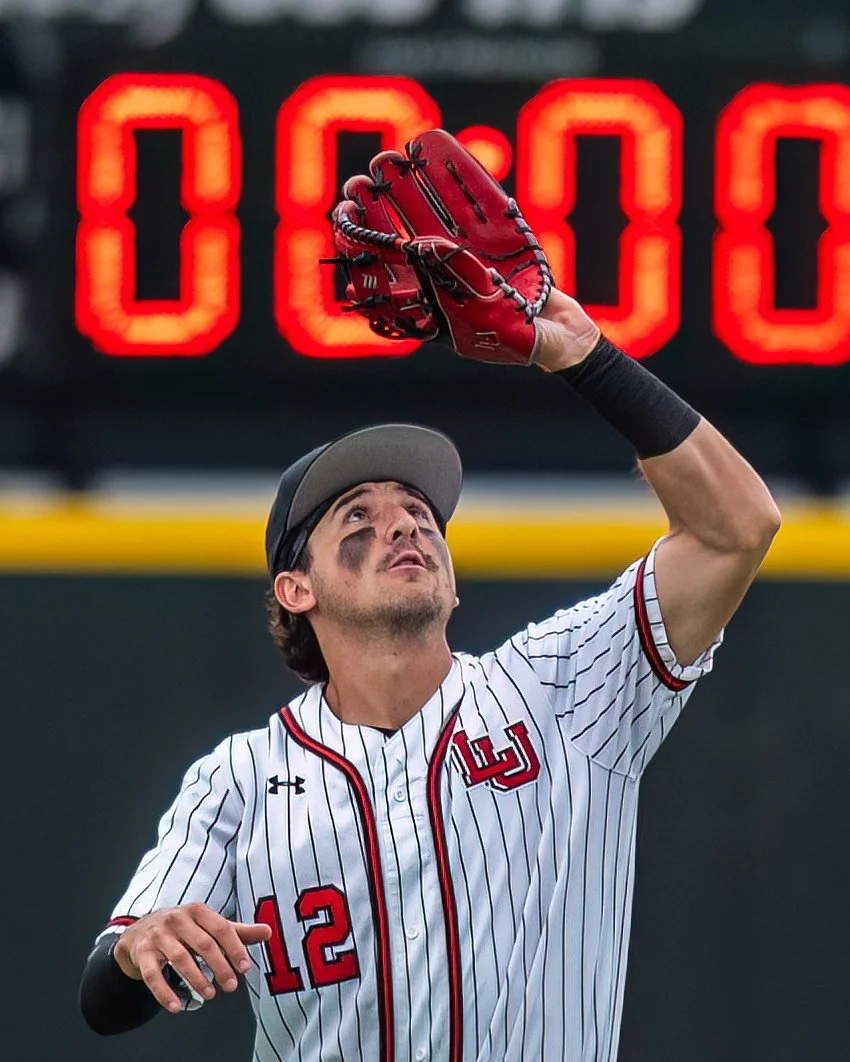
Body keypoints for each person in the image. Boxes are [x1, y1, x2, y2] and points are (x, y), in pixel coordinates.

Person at [79, 280, 781, 1060]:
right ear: (296, 589)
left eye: (418, 511)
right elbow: (106, 1002)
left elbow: (736, 528)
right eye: (360, 516)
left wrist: (588, 358)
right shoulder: (239, 779)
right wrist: (137, 943)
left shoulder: (563, 686)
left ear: (450, 576)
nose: (405, 522)